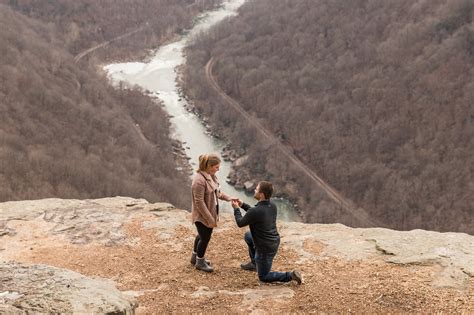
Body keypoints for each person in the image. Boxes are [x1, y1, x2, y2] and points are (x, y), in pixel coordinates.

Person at [231, 181, 302, 284]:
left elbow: (240, 223)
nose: (254, 190)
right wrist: (242, 205)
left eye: (256, 189)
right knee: (248, 236)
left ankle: (290, 275)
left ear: (262, 194)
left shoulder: (256, 211)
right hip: (273, 241)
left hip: (265, 249)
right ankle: (254, 263)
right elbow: (255, 212)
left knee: (264, 276)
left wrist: (236, 209)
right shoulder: (272, 205)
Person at [191, 153, 235, 272]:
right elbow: (199, 202)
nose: (218, 169)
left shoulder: (211, 176)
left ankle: (195, 257)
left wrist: (229, 198)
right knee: (205, 238)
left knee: (201, 235)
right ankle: (200, 262)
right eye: (216, 167)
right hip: (202, 216)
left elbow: (218, 193)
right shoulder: (199, 180)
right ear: (209, 166)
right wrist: (209, 219)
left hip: (211, 212)